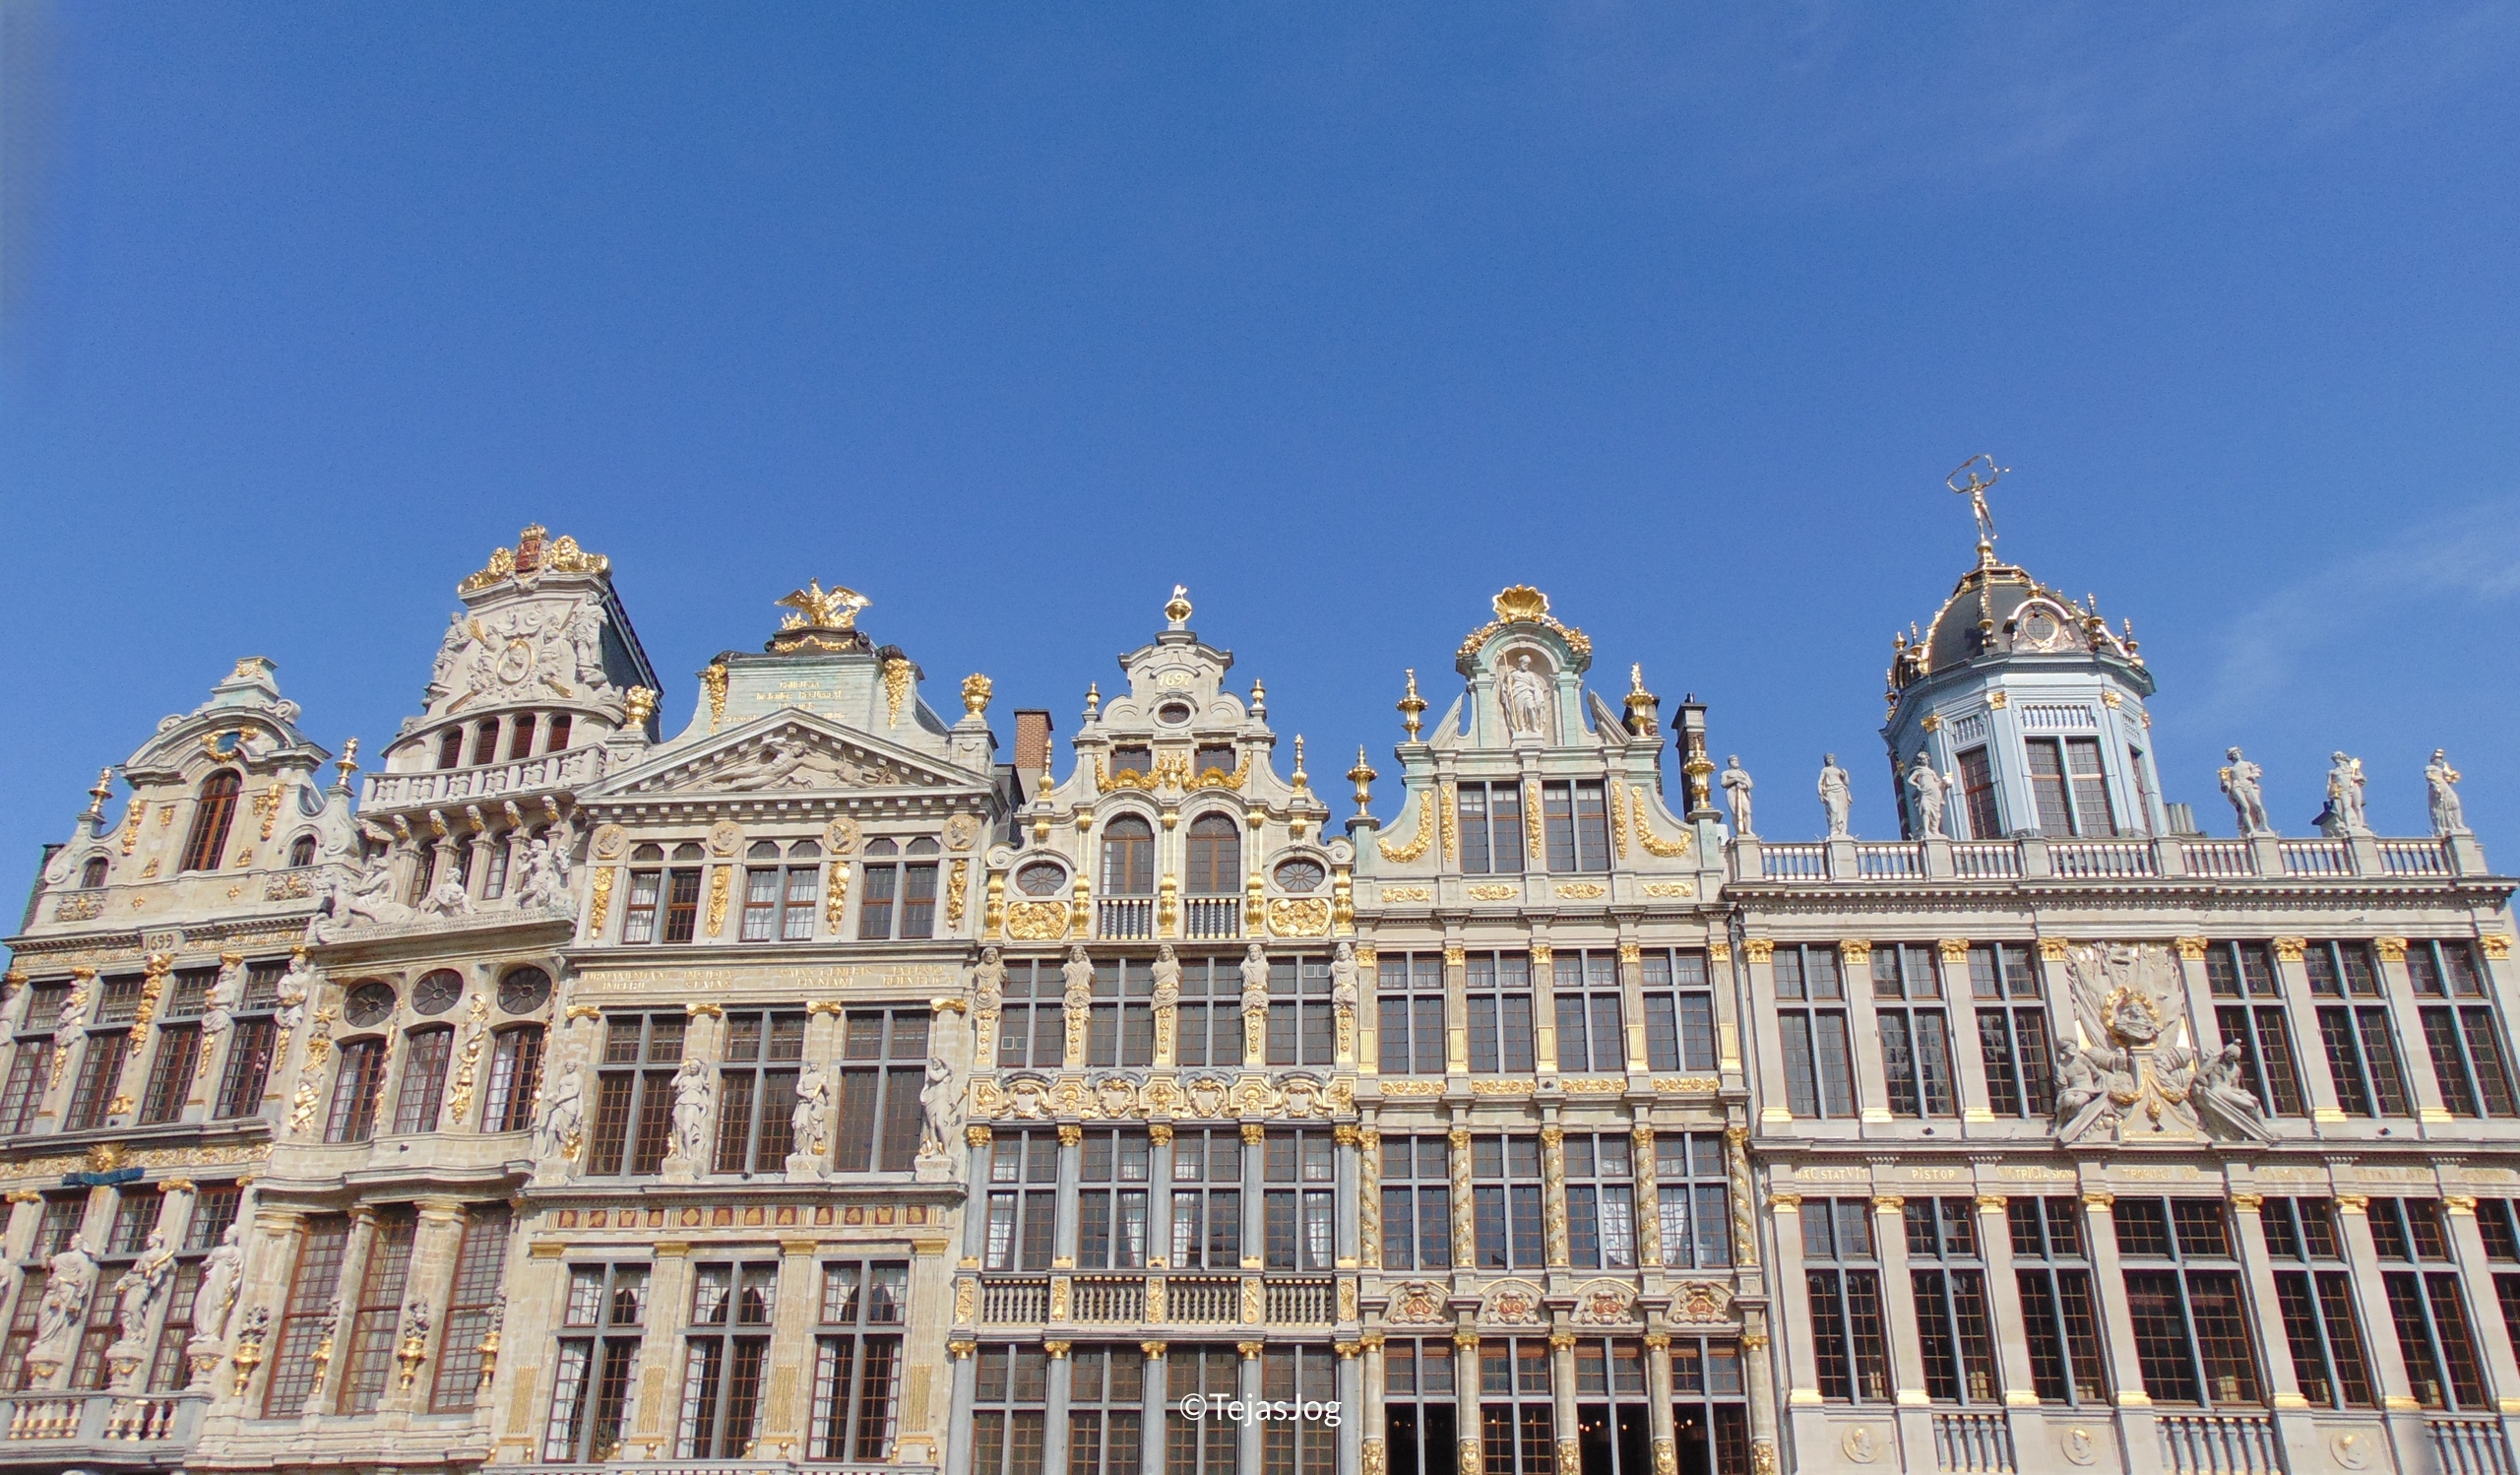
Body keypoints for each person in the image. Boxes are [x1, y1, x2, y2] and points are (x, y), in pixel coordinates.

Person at [2220, 747, 2272, 835]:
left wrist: (2253, 775)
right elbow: (2227, 783)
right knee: (2245, 807)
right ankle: (2251, 829)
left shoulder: (2247, 764)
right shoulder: (2229, 769)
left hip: (2248, 784)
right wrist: (2225, 783)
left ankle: (2265, 826)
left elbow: (2257, 771)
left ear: (2240, 753)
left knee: (2258, 806)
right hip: (2237, 786)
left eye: (2236, 753)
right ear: (2230, 757)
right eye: (2233, 754)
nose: (2235, 755)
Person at [2427, 748, 2467, 835]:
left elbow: (2451, 776)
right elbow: (2429, 777)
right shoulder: (2430, 768)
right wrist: (2435, 786)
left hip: (2445, 787)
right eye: (2438, 758)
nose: (2439, 760)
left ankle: (2457, 824)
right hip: (2437, 788)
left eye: (2441, 758)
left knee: (2454, 803)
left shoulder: (2443, 768)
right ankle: (2443, 827)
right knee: (2440, 807)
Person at [1817, 754, 1852, 839]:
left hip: (1841, 790)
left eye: (1831, 758)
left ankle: (1842, 831)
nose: (1830, 760)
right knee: (1834, 810)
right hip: (1830, 791)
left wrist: (1846, 774)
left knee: (1842, 811)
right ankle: (1833, 830)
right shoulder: (1825, 770)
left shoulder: (1838, 770)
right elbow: (1820, 782)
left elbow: (1846, 783)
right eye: (1828, 759)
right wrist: (1821, 793)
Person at [1720, 756, 1754, 837]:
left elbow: (1750, 783)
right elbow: (1723, 784)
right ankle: (1738, 830)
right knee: (1735, 812)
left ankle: (1748, 829)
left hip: (1743, 792)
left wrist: (1744, 786)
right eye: (1734, 761)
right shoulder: (1725, 773)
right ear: (1730, 762)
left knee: (1747, 811)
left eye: (1737, 761)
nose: (1737, 762)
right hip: (1732, 792)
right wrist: (1734, 780)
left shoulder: (1743, 773)